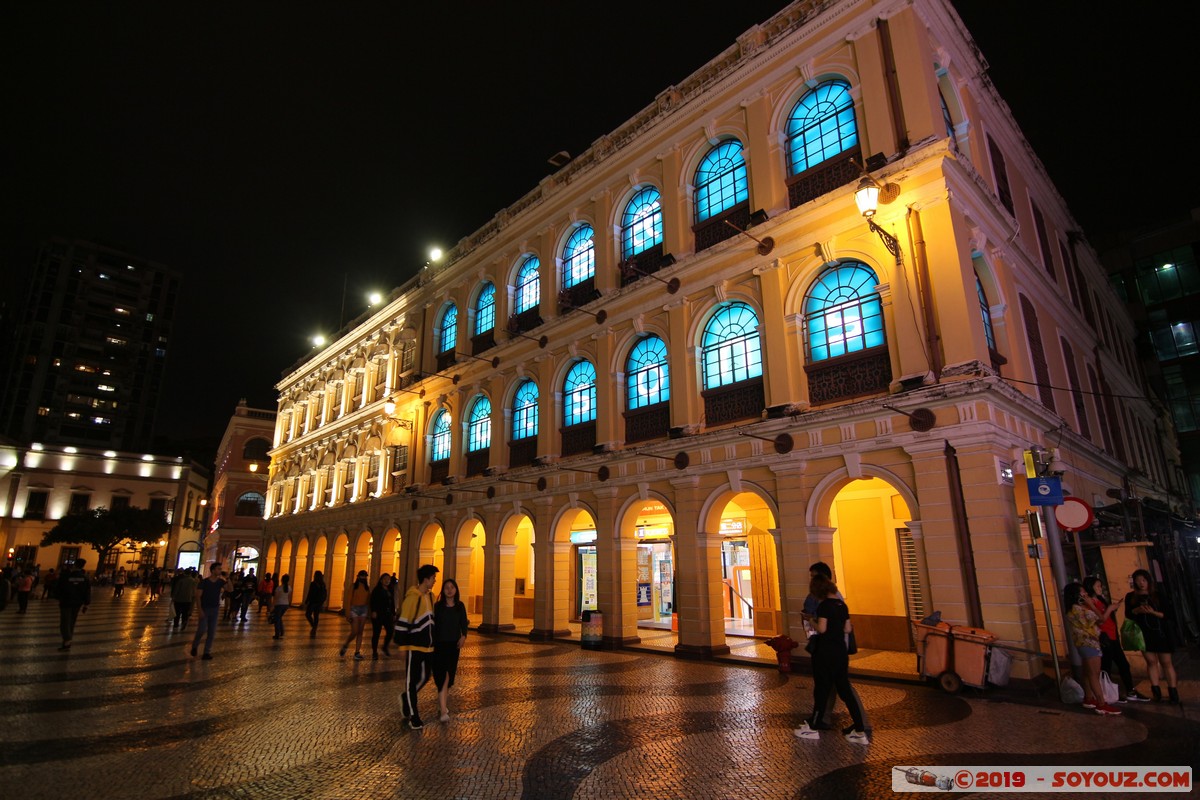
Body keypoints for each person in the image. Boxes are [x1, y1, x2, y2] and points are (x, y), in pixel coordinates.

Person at [795, 574, 869, 743]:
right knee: (845, 691)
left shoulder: (824, 606)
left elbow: (821, 629)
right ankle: (859, 730)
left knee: (822, 689)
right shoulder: (842, 605)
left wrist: (811, 620)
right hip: (840, 652)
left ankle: (813, 727)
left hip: (825, 652)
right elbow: (848, 629)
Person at [1084, 576, 1147, 703]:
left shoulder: (1100, 600)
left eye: (1100, 586)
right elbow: (1099, 619)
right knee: (1105, 668)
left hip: (1112, 637)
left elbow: (1106, 617)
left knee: (1123, 664)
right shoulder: (1090, 603)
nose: (1100, 588)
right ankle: (1108, 693)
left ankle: (1130, 690)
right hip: (1103, 638)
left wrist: (1113, 608)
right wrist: (1110, 609)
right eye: (1097, 586)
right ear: (1091, 587)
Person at [1064, 581, 1121, 715]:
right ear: (1076, 595)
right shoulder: (1078, 609)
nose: (1085, 594)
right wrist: (1101, 607)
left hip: (1086, 643)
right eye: (1082, 592)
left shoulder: (1075, 609)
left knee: (1087, 672)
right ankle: (1101, 704)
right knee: (1094, 673)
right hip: (1089, 643)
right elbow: (1101, 619)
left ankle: (1089, 698)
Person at [1124, 569, 1179, 703]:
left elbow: (1168, 615)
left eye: (1143, 580)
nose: (1141, 583)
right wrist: (1137, 610)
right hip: (1143, 634)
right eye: (1138, 581)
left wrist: (1153, 612)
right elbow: (1128, 615)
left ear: (1148, 580)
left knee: (1166, 662)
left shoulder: (1158, 595)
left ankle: (1173, 693)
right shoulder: (1131, 597)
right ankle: (1156, 692)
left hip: (1161, 633)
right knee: (1151, 662)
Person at [395, 564, 439, 730]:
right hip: (414, 646)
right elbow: (403, 621)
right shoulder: (413, 598)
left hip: (428, 647)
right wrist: (402, 646)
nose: (435, 581)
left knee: (426, 677)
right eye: (433, 578)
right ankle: (414, 716)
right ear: (426, 579)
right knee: (411, 680)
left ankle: (406, 697)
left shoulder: (431, 597)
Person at [432, 577, 469, 722]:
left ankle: (442, 703)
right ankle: (443, 710)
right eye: (446, 587)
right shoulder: (438, 607)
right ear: (443, 590)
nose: (449, 590)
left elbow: (463, 623)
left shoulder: (460, 606)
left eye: (452, 587)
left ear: (456, 590)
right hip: (439, 644)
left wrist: (463, 636)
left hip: (454, 645)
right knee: (443, 676)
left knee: (449, 677)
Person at [190, 562, 227, 660]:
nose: (220, 570)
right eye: (218, 569)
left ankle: (206, 652)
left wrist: (227, 579)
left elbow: (230, 589)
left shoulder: (220, 582)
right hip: (205, 608)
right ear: (213, 570)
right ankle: (195, 645)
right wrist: (199, 610)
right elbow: (198, 596)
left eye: (220, 569)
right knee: (201, 630)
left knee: (212, 632)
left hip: (215, 609)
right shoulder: (204, 582)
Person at [57, 558, 91, 650]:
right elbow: (87, 591)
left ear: (75, 565)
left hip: (66, 601)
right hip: (77, 603)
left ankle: (67, 640)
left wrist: (59, 598)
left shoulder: (66, 576)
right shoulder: (85, 578)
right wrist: (86, 604)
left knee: (65, 622)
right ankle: (67, 641)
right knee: (72, 621)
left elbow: (59, 587)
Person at [340, 570, 371, 660]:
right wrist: (347, 613)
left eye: (365, 576)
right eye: (362, 576)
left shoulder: (367, 588)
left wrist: (369, 612)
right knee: (354, 631)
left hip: (364, 609)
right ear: (358, 577)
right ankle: (346, 644)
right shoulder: (353, 586)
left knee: (360, 632)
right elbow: (348, 599)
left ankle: (357, 652)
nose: (363, 578)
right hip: (354, 609)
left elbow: (368, 601)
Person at [369, 573, 395, 659]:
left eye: (388, 579)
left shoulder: (390, 590)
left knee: (390, 631)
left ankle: (385, 646)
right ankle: (374, 652)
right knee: (376, 633)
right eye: (385, 579)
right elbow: (373, 601)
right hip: (378, 614)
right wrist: (373, 611)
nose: (387, 580)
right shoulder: (377, 590)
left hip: (387, 614)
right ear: (381, 580)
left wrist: (393, 613)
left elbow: (392, 602)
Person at [305, 571, 327, 637]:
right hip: (319, 603)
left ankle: (313, 627)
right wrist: (322, 601)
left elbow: (310, 593)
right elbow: (325, 594)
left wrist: (307, 601)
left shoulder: (313, 583)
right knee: (316, 616)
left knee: (308, 614)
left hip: (313, 602)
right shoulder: (323, 584)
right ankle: (314, 628)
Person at [271, 574, 291, 639]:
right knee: (279, 617)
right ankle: (282, 631)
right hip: (286, 605)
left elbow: (275, 597)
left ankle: (277, 634)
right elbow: (289, 597)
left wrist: (273, 605)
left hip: (279, 604)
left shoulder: (279, 588)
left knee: (277, 619)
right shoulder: (289, 588)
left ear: (282, 580)